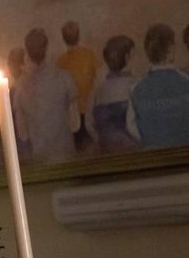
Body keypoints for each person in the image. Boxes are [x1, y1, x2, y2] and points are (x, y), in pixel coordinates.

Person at [15, 27, 78, 162]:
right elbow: (75, 124)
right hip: (64, 153)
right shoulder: (64, 78)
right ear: (46, 47)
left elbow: (22, 133)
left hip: (39, 156)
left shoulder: (20, 86)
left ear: (27, 50)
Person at [126, 23, 189, 149]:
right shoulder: (186, 81)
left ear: (147, 53)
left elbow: (131, 127)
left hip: (153, 154)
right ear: (171, 50)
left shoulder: (136, 88)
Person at [90, 35, 138, 152]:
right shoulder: (136, 86)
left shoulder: (98, 90)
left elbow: (89, 124)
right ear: (127, 57)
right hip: (133, 152)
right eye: (134, 55)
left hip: (107, 150)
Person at [56, 20, 98, 152]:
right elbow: (97, 80)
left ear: (63, 38)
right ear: (79, 36)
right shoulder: (89, 55)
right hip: (89, 110)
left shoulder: (60, 62)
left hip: (71, 115)